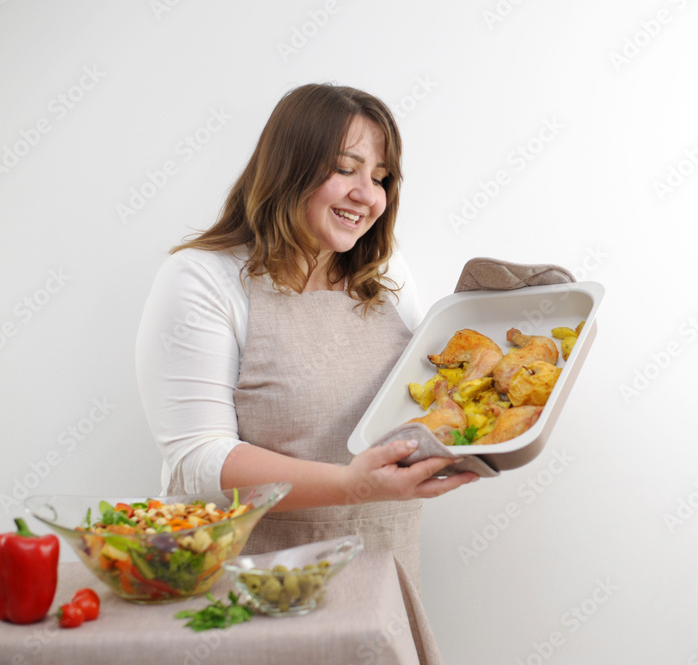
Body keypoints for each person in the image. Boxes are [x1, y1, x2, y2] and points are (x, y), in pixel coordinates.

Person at [135, 83, 478, 593]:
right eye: (345, 169)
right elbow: (199, 461)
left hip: (383, 570)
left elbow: (419, 396)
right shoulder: (203, 279)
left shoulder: (387, 274)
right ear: (287, 167)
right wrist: (349, 485)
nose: (368, 195)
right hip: (249, 583)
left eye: (380, 178)